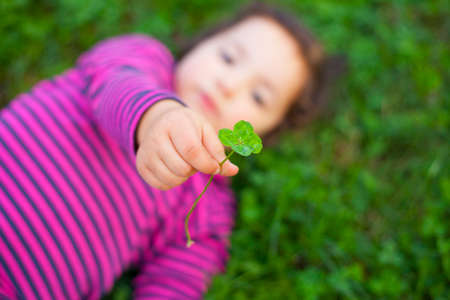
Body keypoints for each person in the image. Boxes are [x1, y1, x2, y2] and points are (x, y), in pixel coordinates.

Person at [0, 2, 344, 299]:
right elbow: (118, 85)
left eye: (258, 97)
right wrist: (156, 116)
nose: (229, 85)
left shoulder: (208, 207)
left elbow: (177, 280)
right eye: (228, 57)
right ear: (202, 43)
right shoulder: (143, 58)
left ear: (268, 131)